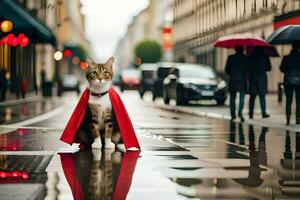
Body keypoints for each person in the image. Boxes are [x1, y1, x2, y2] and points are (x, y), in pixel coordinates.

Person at [225, 46, 249, 121]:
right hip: (242, 80)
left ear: (235, 50)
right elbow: (248, 70)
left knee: (232, 98)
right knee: (242, 98)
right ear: (243, 50)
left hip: (233, 80)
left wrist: (232, 74)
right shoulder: (245, 58)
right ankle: (240, 113)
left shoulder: (230, 58)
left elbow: (227, 70)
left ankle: (233, 115)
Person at [248, 47, 271, 119]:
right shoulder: (265, 56)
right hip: (262, 78)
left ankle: (251, 113)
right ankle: (263, 113)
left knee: (252, 97)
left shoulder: (251, 55)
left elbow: (248, 67)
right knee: (262, 96)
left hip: (253, 78)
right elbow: (269, 68)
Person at [279, 42, 300, 125]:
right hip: (299, 82)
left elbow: (282, 69)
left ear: (292, 47)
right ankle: (298, 119)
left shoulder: (286, 58)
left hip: (288, 81)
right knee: (299, 101)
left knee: (288, 100)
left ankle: (288, 118)